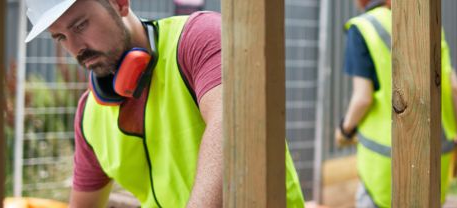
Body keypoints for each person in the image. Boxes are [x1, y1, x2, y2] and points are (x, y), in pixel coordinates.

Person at [23, 0, 305, 207]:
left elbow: (231, 125)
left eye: (80, 25)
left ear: (119, 3)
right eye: (60, 37)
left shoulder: (198, 38)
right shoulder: (89, 116)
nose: (75, 48)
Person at [334, 0, 457, 207]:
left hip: (383, 170)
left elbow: (362, 98)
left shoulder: (362, 28)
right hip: (435, 162)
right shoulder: (430, 25)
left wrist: (344, 130)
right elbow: (453, 89)